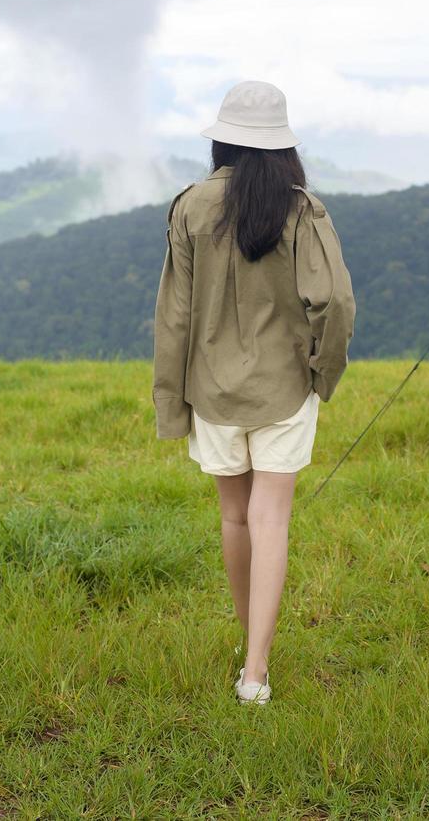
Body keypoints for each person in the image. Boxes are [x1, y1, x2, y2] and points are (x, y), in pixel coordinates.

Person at [152, 81, 356, 705]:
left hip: (211, 389)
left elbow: (174, 318)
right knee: (272, 519)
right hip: (286, 389)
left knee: (235, 517)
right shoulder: (301, 211)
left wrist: (171, 403)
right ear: (283, 147)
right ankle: (256, 671)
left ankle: (250, 643)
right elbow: (336, 303)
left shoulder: (190, 207)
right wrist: (323, 371)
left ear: (220, 140)